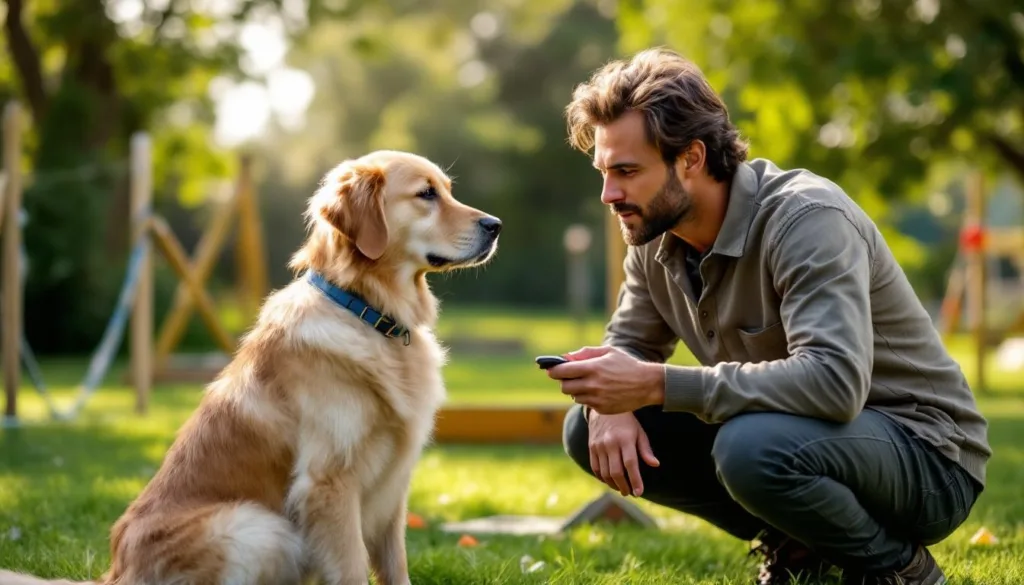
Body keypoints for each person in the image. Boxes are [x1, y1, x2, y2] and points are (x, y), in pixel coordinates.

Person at [547, 47, 988, 585]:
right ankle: (799, 544)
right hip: (810, 441)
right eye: (603, 171)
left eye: (627, 171)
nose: (608, 194)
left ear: (691, 158)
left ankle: (898, 569)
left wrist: (656, 384)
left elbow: (834, 382)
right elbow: (630, 345)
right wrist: (609, 403)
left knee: (749, 448)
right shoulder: (653, 233)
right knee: (585, 429)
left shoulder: (806, 220)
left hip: (926, 458)